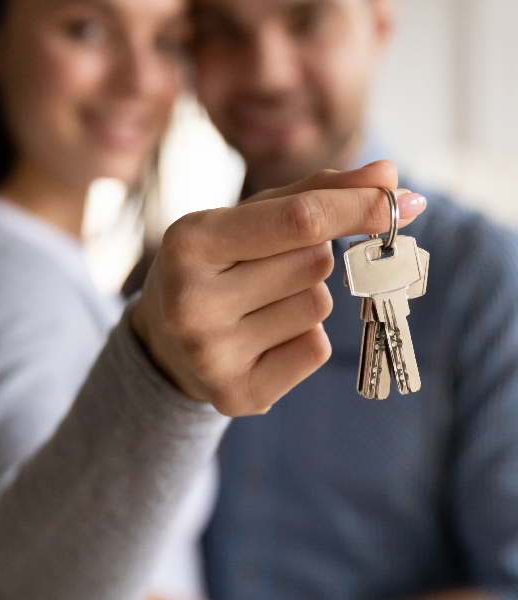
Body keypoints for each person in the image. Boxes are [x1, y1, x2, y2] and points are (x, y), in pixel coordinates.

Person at [0, 0, 426, 599]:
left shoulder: (46, 265)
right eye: (88, 29)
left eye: (166, 41)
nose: (140, 81)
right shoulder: (3, 280)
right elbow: (16, 586)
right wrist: (159, 378)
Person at [190, 0, 518, 598]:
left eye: (307, 19)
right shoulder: (162, 288)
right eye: (223, 31)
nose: (268, 73)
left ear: (380, 26)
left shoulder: (488, 279)